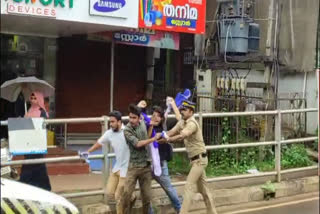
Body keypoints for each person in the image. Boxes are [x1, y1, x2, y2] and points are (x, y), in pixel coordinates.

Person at [160, 100, 218, 214]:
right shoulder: (183, 121)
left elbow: (182, 135)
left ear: (191, 112)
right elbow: (172, 131)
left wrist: (168, 140)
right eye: (181, 109)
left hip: (200, 160)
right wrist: (162, 135)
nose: (182, 112)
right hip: (195, 160)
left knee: (189, 186)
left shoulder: (192, 124)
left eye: (184, 110)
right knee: (204, 190)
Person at [81, 111, 131, 212]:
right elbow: (99, 143)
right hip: (117, 167)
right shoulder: (109, 133)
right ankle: (131, 196)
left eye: (113, 122)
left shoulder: (127, 132)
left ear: (119, 122)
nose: (111, 124)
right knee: (109, 192)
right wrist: (88, 152)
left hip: (127, 168)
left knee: (118, 197)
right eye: (110, 122)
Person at [118, 104, 161, 214]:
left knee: (146, 197)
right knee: (127, 194)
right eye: (130, 117)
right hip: (133, 166)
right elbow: (138, 144)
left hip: (146, 166)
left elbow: (146, 137)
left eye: (134, 118)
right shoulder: (127, 130)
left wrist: (151, 126)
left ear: (139, 118)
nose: (131, 120)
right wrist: (153, 139)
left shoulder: (142, 123)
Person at [148, 104, 182, 213]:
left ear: (162, 118)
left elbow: (177, 125)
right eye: (154, 115)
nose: (156, 117)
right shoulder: (146, 127)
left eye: (159, 116)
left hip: (160, 164)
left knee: (169, 189)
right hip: (147, 165)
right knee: (145, 192)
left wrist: (172, 105)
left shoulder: (163, 129)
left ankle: (180, 209)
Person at [19, 91, 51, 191]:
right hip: (28, 142)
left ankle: (28, 185)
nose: (33, 100)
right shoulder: (29, 111)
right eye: (32, 98)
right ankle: (35, 186)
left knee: (36, 164)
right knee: (31, 163)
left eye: (35, 98)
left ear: (40, 99)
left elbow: (44, 125)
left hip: (37, 142)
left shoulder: (42, 112)